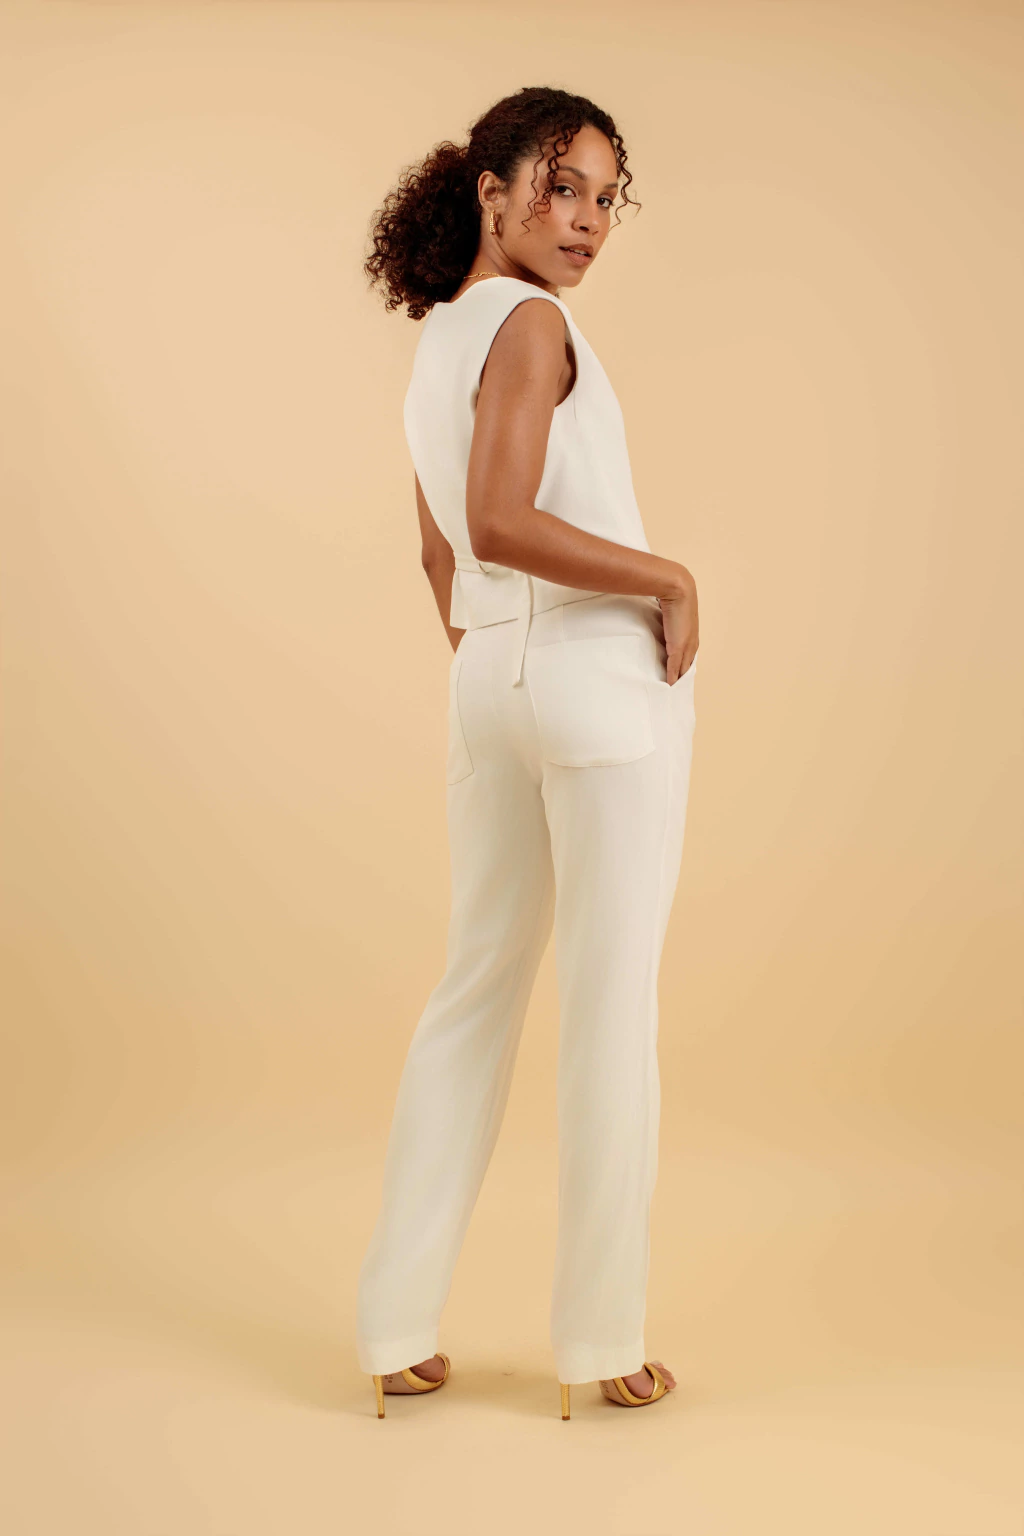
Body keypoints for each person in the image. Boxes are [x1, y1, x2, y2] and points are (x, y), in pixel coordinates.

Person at [356, 86, 699, 1420]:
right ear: (490, 189)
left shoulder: (440, 338)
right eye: (562, 187)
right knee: (611, 1007)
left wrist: (497, 661)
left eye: (607, 198)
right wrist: (666, 576)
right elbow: (497, 517)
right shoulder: (534, 324)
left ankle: (395, 1324)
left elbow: (439, 549)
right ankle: (601, 1341)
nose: (588, 221)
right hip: (596, 686)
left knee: (476, 990)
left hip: (490, 681)